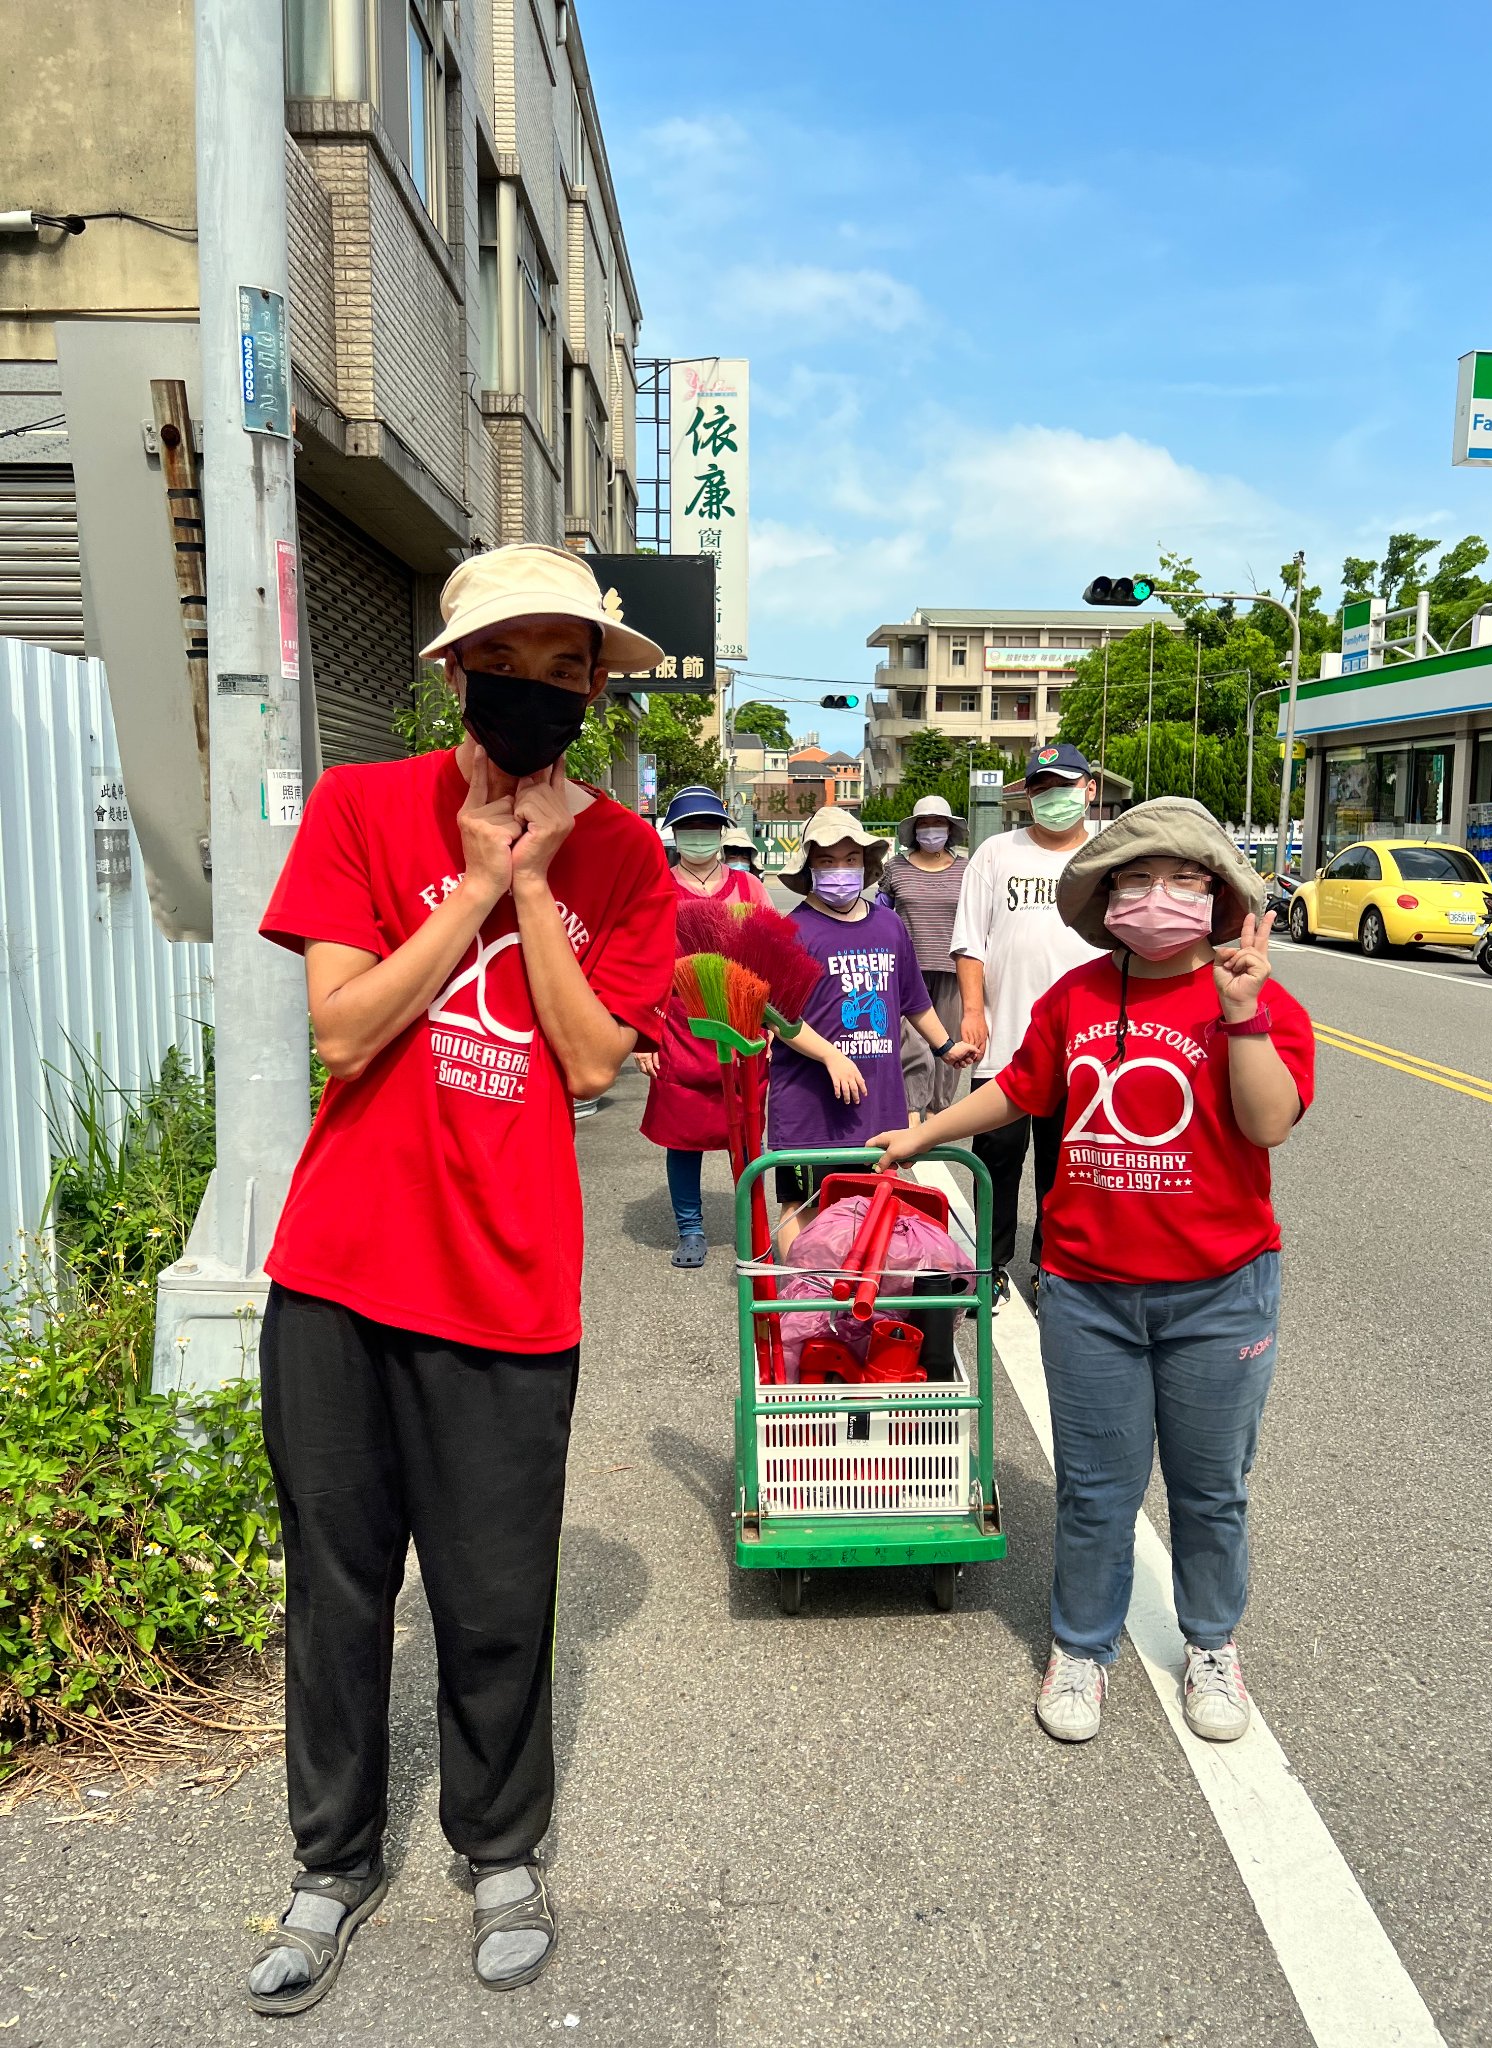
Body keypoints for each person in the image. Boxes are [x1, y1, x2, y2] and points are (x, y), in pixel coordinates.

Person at [246, 543, 675, 2014]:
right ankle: (330, 1862)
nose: (537, 691)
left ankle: (499, 1847)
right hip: (340, 1273)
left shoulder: (627, 858)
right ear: (455, 674)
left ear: (596, 691)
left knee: (496, 1597)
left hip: (507, 1282)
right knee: (337, 1591)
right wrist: (474, 883)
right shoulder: (364, 807)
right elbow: (344, 1029)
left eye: (567, 670)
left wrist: (537, 884)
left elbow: (592, 1059)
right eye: (509, 663)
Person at [869, 798, 1314, 1747]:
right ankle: (1081, 1647)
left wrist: (1242, 1017)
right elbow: (1016, 1089)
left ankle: (1212, 1644)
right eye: (1136, 880)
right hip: (1087, 1292)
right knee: (1096, 1490)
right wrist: (922, 1134)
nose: (1159, 897)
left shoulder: (1256, 999)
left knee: (1211, 1489)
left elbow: (1270, 1122)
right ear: (1106, 898)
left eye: (1184, 881)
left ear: (1220, 897)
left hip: (1220, 1292)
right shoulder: (1076, 996)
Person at [767, 807, 976, 1247]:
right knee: (803, 1206)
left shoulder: (889, 925)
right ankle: (803, 1289)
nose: (840, 870)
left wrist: (946, 1047)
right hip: (809, 1104)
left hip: (876, 1101)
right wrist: (831, 1056)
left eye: (850, 859)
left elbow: (913, 999)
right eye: (826, 861)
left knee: (870, 1204)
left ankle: (858, 1286)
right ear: (808, 868)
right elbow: (780, 1017)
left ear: (866, 864)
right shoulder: (794, 931)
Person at [950, 742, 1100, 1308]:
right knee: (996, 1163)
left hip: (1085, 1047)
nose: (1052, 798)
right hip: (1006, 1042)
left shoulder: (1108, 855)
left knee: (1068, 1166)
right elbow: (970, 941)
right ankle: (989, 1266)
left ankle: (1050, 1268)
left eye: (1063, 786)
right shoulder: (995, 853)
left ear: (1089, 789)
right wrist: (972, 1012)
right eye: (1041, 789)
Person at [638, 787, 771, 1267]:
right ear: (674, 834)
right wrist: (642, 1034)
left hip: (740, 1026)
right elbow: (639, 963)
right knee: (683, 1135)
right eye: (689, 827)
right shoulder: (654, 887)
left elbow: (767, 957)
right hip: (678, 1027)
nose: (699, 835)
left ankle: (751, 1224)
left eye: (708, 826)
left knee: (747, 1135)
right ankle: (690, 1228)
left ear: (722, 832)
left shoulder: (748, 888)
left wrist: (770, 1024)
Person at [881, 794, 969, 1125]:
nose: (932, 829)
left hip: (953, 969)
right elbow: (881, 915)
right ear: (914, 830)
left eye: (938, 823)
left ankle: (937, 1113)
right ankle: (911, 1113)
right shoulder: (895, 868)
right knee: (912, 1044)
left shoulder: (967, 869)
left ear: (950, 829)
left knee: (948, 1043)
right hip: (906, 972)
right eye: (925, 823)